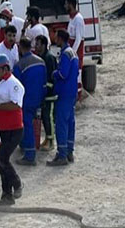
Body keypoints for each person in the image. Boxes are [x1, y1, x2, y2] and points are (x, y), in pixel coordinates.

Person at [0, 54, 24, 205]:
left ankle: (17, 183)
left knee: (2, 159)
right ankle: (6, 195)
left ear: (5, 69)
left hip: (13, 129)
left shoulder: (14, 84)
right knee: (0, 161)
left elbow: (16, 105)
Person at [47, 30, 79, 166]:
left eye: (56, 37)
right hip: (72, 92)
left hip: (64, 93)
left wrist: (55, 73)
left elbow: (63, 74)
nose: (54, 39)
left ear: (60, 39)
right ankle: (69, 151)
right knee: (70, 122)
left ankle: (62, 155)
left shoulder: (65, 54)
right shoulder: (73, 53)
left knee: (61, 124)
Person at [13, 37, 47, 166]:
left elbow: (16, 86)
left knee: (27, 126)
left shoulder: (19, 65)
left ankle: (30, 155)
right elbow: (44, 82)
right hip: (39, 99)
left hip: (26, 101)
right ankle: (28, 147)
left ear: (21, 48)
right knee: (34, 125)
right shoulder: (41, 61)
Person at [36, 35, 58, 151]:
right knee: (44, 117)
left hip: (50, 94)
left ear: (44, 45)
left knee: (48, 117)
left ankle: (51, 141)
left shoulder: (49, 58)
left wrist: (46, 90)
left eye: (38, 44)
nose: (36, 46)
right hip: (44, 93)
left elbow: (51, 77)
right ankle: (47, 139)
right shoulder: (42, 57)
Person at [65, 0, 84, 99]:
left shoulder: (78, 19)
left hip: (76, 53)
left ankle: (78, 98)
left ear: (71, 5)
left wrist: (72, 53)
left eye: (66, 4)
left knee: (77, 76)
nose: (64, 6)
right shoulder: (72, 18)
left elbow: (78, 39)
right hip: (72, 51)